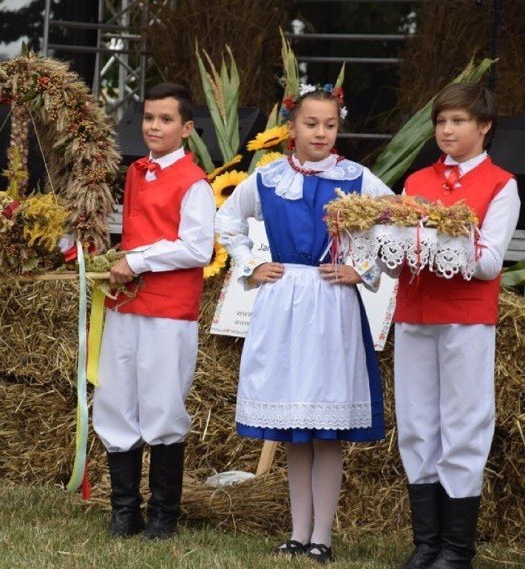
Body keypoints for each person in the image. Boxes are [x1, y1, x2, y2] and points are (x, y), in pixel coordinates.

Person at [215, 85, 393, 563]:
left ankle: (323, 536)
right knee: (295, 425)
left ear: (339, 126)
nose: (320, 132)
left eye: (330, 125)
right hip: (284, 303)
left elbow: (399, 226)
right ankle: (298, 532)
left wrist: (365, 270)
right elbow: (227, 221)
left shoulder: (358, 178)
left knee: (325, 428)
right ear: (290, 128)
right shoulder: (267, 178)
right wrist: (252, 264)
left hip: (331, 304)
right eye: (311, 124)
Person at [390, 83, 520, 569]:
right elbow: (395, 257)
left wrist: (440, 234)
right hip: (415, 314)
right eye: (441, 121)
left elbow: (488, 263)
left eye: (458, 121)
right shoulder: (416, 180)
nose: (446, 130)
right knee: (418, 426)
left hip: (465, 317)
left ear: (484, 126)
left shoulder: (501, 184)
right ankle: (427, 545)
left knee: (463, 425)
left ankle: (457, 550)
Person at [92, 82, 215, 539]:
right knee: (115, 399)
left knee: (162, 404)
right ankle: (125, 510)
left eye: (165, 119)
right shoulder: (135, 171)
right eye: (148, 118)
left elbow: (198, 247)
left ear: (186, 128)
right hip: (126, 303)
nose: (154, 126)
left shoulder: (193, 181)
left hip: (168, 309)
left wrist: (138, 261)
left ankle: (164, 514)